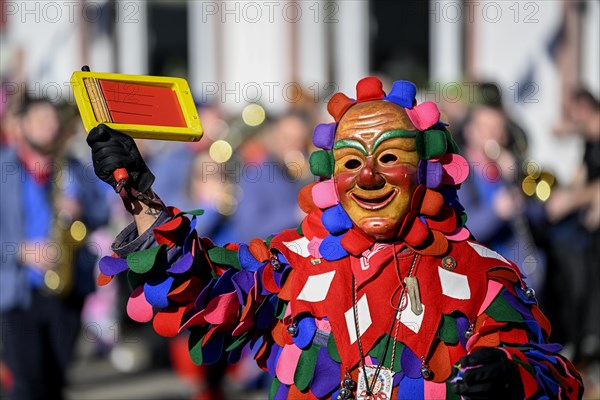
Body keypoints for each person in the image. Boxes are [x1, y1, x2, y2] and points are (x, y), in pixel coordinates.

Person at [87, 77, 582, 399]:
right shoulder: (297, 264)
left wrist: (509, 376)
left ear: (428, 170)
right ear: (330, 178)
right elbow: (200, 288)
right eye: (350, 162)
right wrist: (141, 193)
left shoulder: (479, 273)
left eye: (388, 158)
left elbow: (553, 376)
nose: (367, 176)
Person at [0, 98, 110, 399]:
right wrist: (20, 251)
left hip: (68, 286)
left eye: (53, 120)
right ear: (22, 125)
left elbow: (103, 213)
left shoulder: (73, 166)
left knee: (56, 380)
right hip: (19, 292)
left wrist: (81, 210)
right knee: (25, 382)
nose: (50, 127)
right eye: (40, 120)